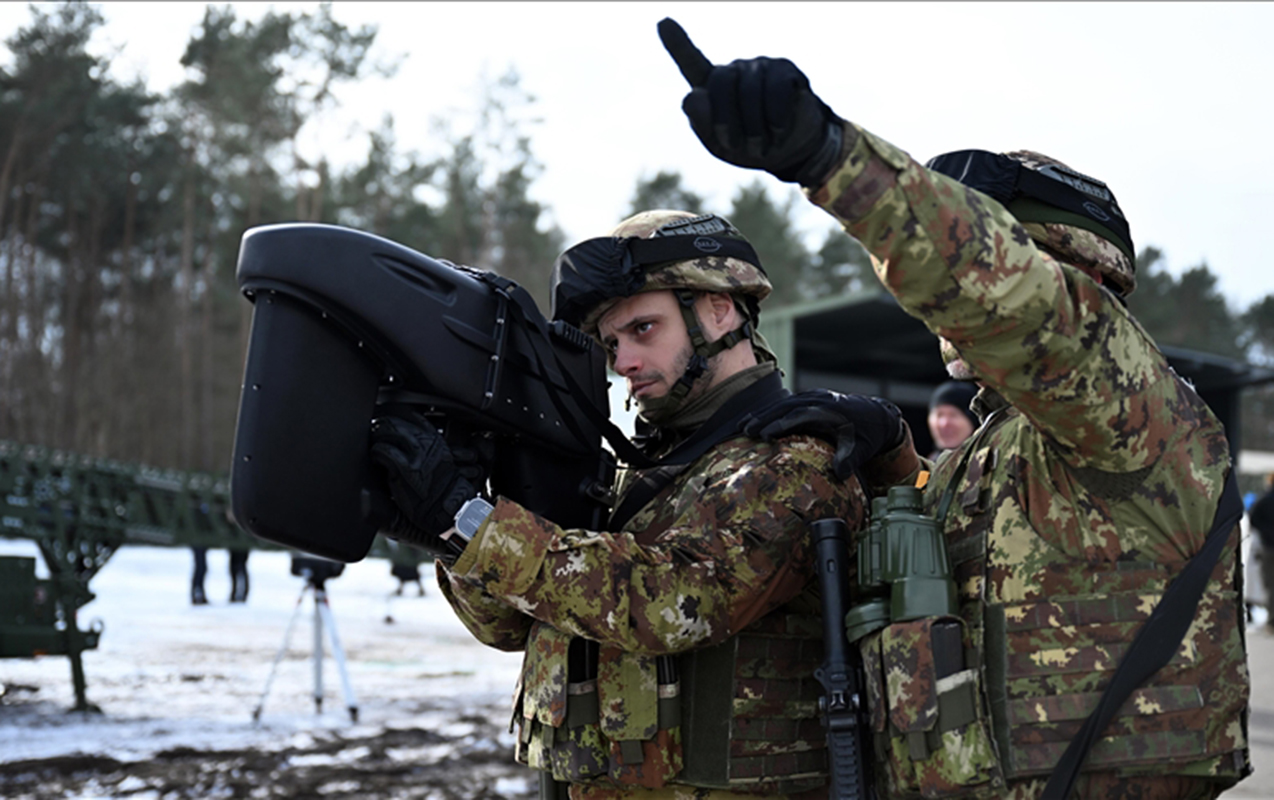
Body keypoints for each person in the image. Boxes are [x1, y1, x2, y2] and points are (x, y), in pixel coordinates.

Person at [657, 18, 1250, 800]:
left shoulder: (1133, 414)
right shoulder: (995, 449)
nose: (944, 312)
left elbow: (1014, 301)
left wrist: (831, 158)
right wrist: (895, 457)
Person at [368, 209, 926, 798]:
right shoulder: (632, 475)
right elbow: (509, 627)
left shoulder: (793, 462)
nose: (623, 361)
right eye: (611, 343)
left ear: (719, 310)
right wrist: (449, 534)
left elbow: (679, 603)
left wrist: (475, 526)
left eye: (643, 329)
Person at [927, 380, 978, 458]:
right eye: (939, 415)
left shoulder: (988, 464)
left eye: (953, 415)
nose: (944, 423)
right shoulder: (925, 467)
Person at [1248, 474, 1274, 626]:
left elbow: (1253, 520)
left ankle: (1272, 620)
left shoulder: (1264, 500)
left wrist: (1266, 534)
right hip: (1268, 547)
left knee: (1270, 584)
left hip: (1268, 547)